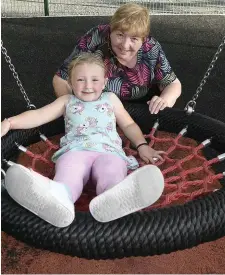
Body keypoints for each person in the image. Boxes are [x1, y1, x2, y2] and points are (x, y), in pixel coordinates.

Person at [1, 53, 165, 228]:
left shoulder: (111, 99)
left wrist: (142, 146)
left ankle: (113, 196)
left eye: (95, 80)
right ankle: (59, 199)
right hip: (75, 150)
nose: (88, 86)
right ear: (71, 83)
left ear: (104, 82)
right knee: (70, 173)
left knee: (110, 171)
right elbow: (40, 115)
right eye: (80, 80)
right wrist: (10, 123)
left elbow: (129, 124)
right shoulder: (67, 101)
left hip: (108, 151)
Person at [53, 3, 181, 115]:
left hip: (142, 107)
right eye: (120, 35)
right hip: (96, 106)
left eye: (134, 39)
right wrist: (73, 110)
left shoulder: (151, 49)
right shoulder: (97, 38)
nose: (125, 45)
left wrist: (164, 100)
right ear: (110, 31)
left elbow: (173, 84)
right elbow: (61, 78)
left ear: (143, 39)